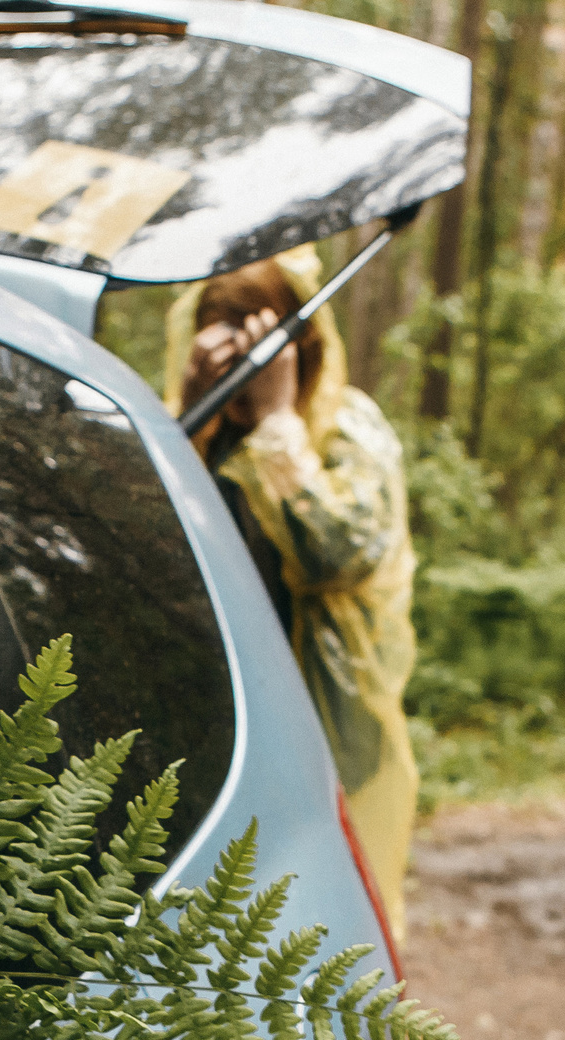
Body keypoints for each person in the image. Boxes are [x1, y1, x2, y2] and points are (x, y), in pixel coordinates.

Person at [165, 247, 419, 941]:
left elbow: (338, 551)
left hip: (319, 729)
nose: (242, 392)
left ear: (301, 351)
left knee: (314, 923)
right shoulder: (205, 432)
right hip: (215, 724)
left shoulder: (348, 433)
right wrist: (190, 409)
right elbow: (147, 540)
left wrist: (280, 418)